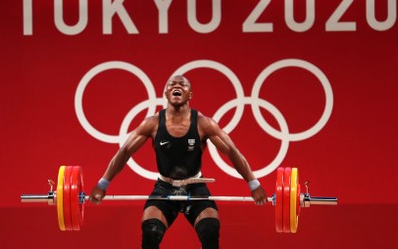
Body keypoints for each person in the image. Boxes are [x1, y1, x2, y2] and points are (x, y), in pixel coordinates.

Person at [89, 74, 268, 249]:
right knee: (151, 233)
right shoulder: (151, 124)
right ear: (166, 93)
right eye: (172, 84)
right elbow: (125, 151)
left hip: (195, 187)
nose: (176, 86)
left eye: (182, 85)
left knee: (210, 230)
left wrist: (254, 184)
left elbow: (232, 152)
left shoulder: (204, 124)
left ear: (190, 94)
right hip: (164, 187)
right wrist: (102, 184)